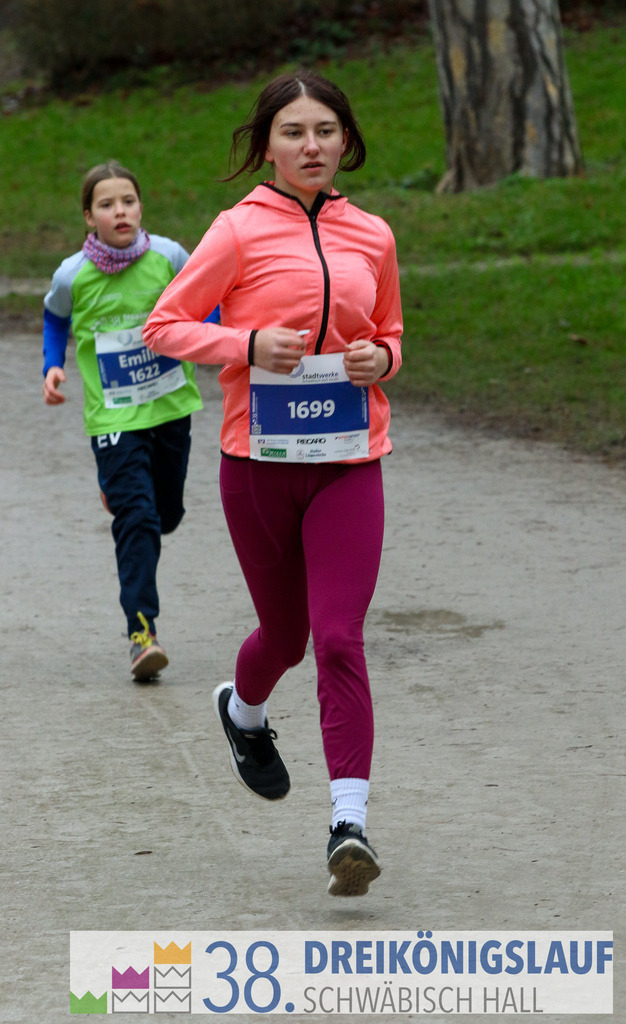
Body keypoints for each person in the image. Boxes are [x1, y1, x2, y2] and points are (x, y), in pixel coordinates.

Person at [143, 69, 403, 896]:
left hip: (348, 461)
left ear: (345, 139)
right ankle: (242, 711)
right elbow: (166, 325)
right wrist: (246, 345)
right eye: (293, 132)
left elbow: (392, 331)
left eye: (324, 130)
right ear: (267, 145)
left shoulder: (372, 234)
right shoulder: (237, 230)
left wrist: (381, 358)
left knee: (336, 638)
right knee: (283, 638)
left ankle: (348, 824)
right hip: (256, 465)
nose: (311, 145)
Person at [42, 160, 214, 681]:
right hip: (112, 414)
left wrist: (221, 339)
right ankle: (143, 635)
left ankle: (122, 489)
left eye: (128, 201)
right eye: (107, 204)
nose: (120, 211)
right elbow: (55, 316)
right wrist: (53, 364)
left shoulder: (168, 256)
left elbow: (207, 305)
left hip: (170, 406)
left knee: (166, 515)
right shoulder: (72, 273)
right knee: (137, 519)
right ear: (89, 217)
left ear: (141, 207)